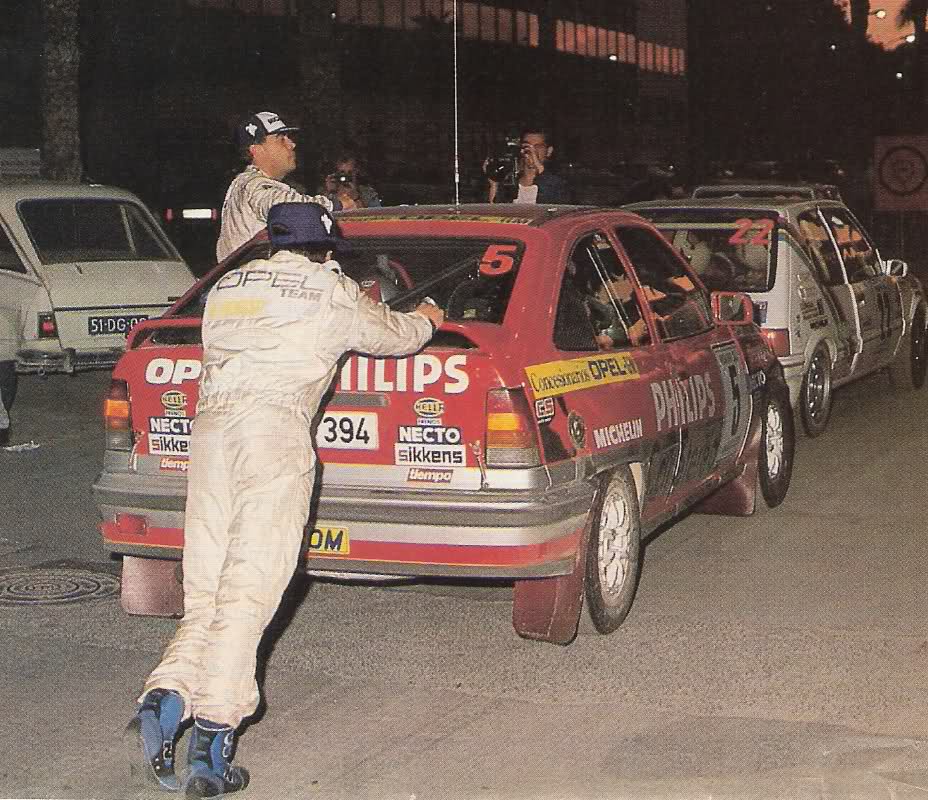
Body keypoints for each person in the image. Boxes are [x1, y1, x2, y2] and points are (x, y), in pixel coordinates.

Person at [126, 202, 444, 798]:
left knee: (207, 590)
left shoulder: (227, 287)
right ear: (323, 250)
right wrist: (426, 318)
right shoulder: (331, 291)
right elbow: (394, 337)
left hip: (211, 438)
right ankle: (212, 746)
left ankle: (165, 698)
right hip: (271, 438)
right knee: (249, 590)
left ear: (273, 243)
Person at [215, 111, 335, 262]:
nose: (292, 144)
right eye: (281, 139)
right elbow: (290, 209)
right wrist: (336, 205)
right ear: (256, 149)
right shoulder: (253, 184)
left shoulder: (246, 184)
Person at [486, 127, 571, 204]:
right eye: (526, 146)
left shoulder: (559, 183)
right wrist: (494, 182)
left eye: (537, 146)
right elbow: (494, 211)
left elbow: (556, 203)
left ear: (549, 151)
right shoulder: (510, 183)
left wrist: (538, 166)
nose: (531, 150)